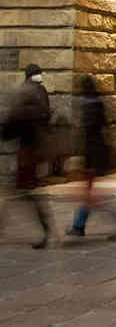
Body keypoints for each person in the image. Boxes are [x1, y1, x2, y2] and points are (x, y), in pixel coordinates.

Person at [66, 76, 116, 239]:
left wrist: (84, 160)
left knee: (91, 196)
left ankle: (115, 224)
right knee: (89, 194)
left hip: (92, 156)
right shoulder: (97, 103)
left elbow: (88, 135)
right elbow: (103, 130)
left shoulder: (88, 106)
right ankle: (79, 226)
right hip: (97, 154)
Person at [2, 64, 52, 249]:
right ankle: (46, 229)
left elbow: (11, 125)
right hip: (35, 150)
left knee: (21, 192)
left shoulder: (23, 95)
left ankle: (46, 230)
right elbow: (46, 118)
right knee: (20, 191)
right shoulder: (41, 93)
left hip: (26, 152)